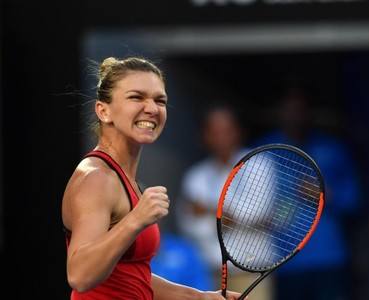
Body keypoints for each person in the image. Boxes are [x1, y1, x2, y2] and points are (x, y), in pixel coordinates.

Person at [61, 56, 244, 299]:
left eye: (160, 100)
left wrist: (202, 297)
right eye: (136, 97)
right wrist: (136, 220)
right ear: (103, 111)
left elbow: (131, 278)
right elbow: (80, 275)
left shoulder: (125, 180)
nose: (152, 108)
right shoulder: (97, 178)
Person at [251, 87, 362, 300]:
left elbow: (354, 200)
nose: (295, 116)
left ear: (309, 112)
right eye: (289, 110)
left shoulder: (332, 148)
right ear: (279, 112)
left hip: (329, 258)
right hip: (283, 260)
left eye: (300, 110)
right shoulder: (262, 150)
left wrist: (325, 194)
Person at [177, 103, 274, 300]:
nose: (220, 136)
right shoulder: (195, 176)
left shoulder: (259, 164)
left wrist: (211, 211)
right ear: (204, 136)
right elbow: (189, 226)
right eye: (214, 131)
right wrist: (226, 218)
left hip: (251, 271)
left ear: (237, 132)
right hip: (209, 272)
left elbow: (259, 211)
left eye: (225, 130)